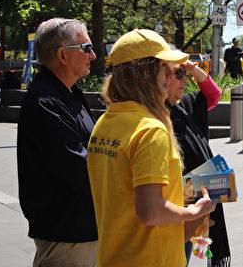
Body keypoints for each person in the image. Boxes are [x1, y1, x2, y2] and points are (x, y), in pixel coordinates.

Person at [87, 29, 215, 267]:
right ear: (145, 74)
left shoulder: (104, 123)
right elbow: (151, 211)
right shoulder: (150, 130)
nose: (170, 78)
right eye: (165, 69)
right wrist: (195, 212)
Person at [17, 18, 98, 266]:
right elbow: (80, 167)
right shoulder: (46, 102)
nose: (93, 55)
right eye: (86, 48)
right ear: (63, 55)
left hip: (81, 231)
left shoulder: (67, 93)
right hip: (67, 236)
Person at [165, 53, 231, 267]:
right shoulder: (155, 114)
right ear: (160, 77)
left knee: (186, 254)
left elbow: (213, 94)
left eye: (184, 74)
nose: (184, 80)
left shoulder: (184, 105)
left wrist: (192, 69)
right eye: (178, 74)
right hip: (175, 205)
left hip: (195, 203)